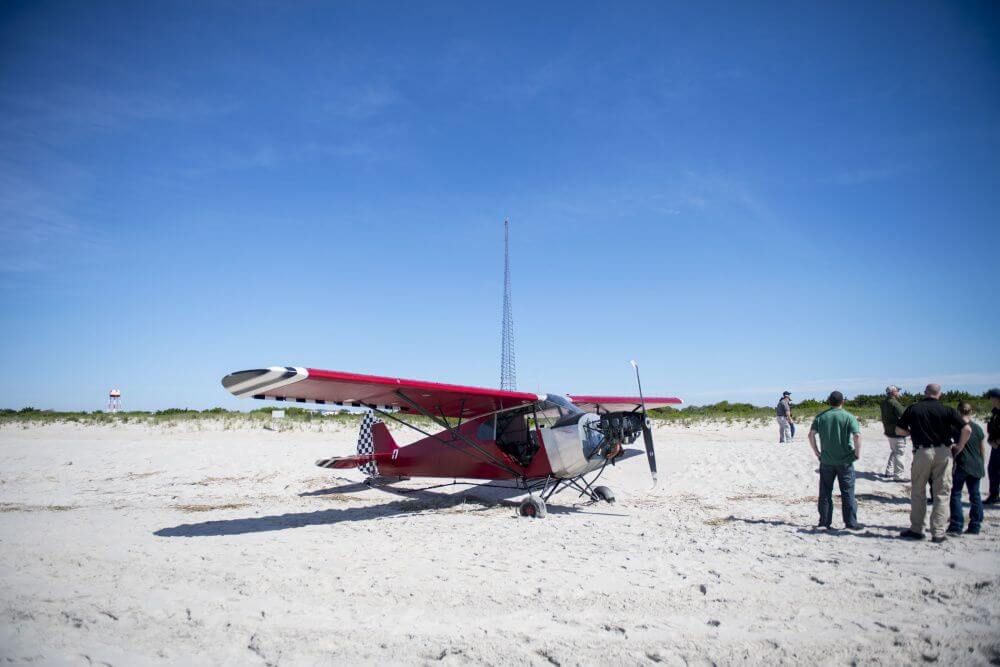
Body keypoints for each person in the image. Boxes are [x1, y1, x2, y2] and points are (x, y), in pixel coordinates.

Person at [895, 383, 971, 543]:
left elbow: (898, 430)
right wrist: (959, 446)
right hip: (943, 451)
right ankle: (938, 532)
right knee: (942, 494)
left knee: (918, 491)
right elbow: (967, 429)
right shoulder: (947, 410)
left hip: (922, 452)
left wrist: (912, 432)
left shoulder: (914, 408)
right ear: (939, 394)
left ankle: (917, 529)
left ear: (925, 393)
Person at [808, 391, 861, 530]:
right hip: (845, 460)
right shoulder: (849, 417)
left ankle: (824, 522)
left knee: (825, 492)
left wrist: (817, 452)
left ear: (829, 401)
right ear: (842, 401)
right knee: (848, 492)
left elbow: (811, 435)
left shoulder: (821, 417)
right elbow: (857, 436)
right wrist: (857, 453)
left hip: (826, 461)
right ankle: (850, 523)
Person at [948, 401, 987, 535]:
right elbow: (982, 449)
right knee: (975, 495)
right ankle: (975, 525)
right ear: (971, 412)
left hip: (962, 464)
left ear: (958, 411)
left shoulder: (956, 427)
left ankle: (956, 525)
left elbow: (949, 444)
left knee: (956, 494)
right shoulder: (977, 428)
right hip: (976, 464)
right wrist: (982, 464)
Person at [879, 385, 907, 480]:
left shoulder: (884, 402)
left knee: (894, 451)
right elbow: (904, 415)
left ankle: (889, 471)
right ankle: (899, 476)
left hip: (889, 432)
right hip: (897, 432)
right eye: (897, 391)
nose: (899, 393)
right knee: (899, 453)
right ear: (893, 392)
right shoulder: (894, 403)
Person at [985, 388, 1000, 505]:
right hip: (995, 447)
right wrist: (991, 440)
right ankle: (994, 495)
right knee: (992, 470)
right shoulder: (994, 411)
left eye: (991, 397)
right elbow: (991, 428)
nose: (990, 400)